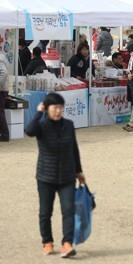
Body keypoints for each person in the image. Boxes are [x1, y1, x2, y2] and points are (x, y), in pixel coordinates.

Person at [24, 93, 85, 258]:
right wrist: (38, 112)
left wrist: (79, 171)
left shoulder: (69, 125)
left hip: (67, 176)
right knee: (45, 212)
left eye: (61, 107)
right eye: (55, 107)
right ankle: (47, 242)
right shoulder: (41, 125)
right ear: (47, 108)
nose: (58, 111)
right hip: (45, 177)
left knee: (68, 210)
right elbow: (28, 131)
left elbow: (74, 149)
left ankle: (67, 243)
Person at [0, 52, 9, 141]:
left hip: (1, 90)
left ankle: (5, 134)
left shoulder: (0, 58)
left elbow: (4, 73)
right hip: (2, 89)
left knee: (0, 112)